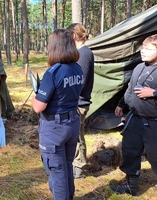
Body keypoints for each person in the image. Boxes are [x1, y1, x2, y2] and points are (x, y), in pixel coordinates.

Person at [32, 29, 83, 200]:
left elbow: (38, 107)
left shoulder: (52, 73)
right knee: (67, 166)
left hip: (55, 127)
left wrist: (35, 95)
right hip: (72, 123)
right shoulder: (77, 68)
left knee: (57, 172)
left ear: (54, 47)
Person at [110, 34, 157, 196]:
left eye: (149, 49)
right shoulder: (139, 67)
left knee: (155, 156)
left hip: (154, 122)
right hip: (135, 118)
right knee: (130, 151)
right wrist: (122, 104)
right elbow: (131, 88)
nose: (143, 52)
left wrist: (154, 92)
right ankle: (132, 186)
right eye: (143, 48)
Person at [67, 23, 94, 179]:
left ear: (74, 36)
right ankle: (75, 163)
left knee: (77, 136)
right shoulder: (80, 52)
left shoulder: (84, 53)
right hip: (75, 101)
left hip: (79, 103)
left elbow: (79, 81)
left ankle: (79, 166)